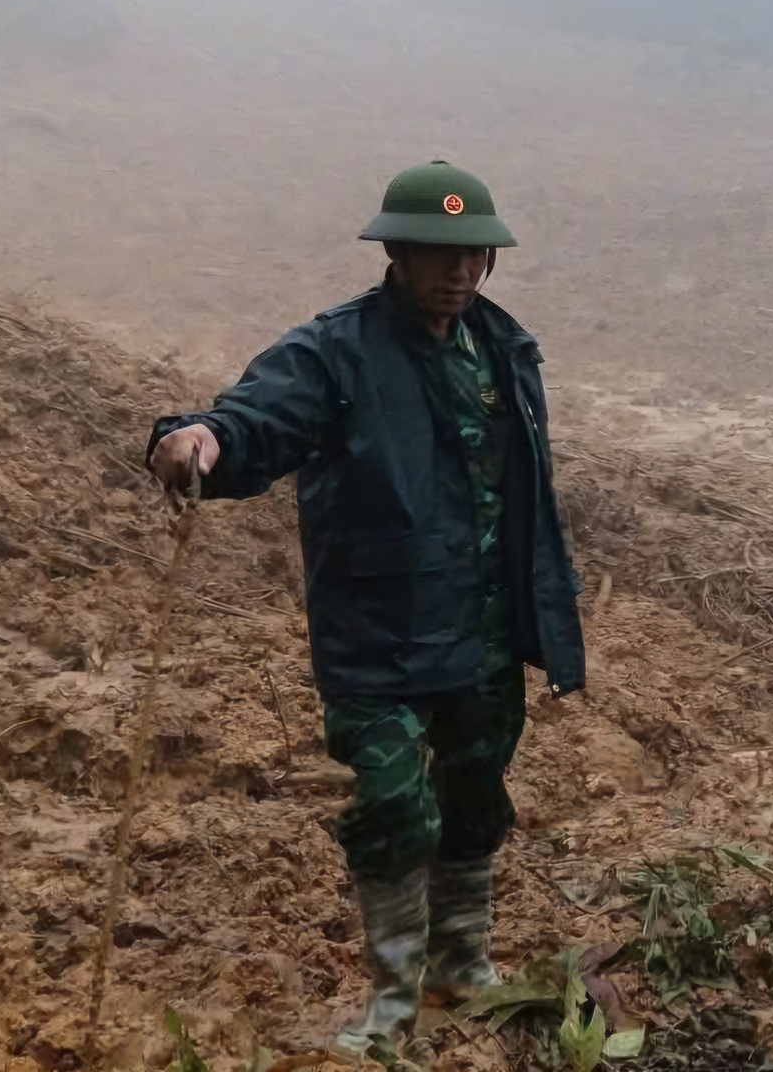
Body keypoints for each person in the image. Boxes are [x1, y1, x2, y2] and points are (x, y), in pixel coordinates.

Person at [146, 161, 585, 1059]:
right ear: (395, 249)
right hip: (380, 632)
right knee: (394, 804)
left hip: (486, 629)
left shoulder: (504, 346)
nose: (460, 271)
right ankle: (391, 1000)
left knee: (475, 798)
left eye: (475, 255)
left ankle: (462, 968)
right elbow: (256, 418)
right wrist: (198, 439)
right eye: (439, 252)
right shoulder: (336, 350)